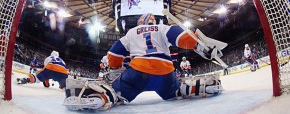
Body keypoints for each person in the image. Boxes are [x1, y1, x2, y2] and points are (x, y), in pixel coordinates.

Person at [64, 13, 223, 110]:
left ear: (140, 22)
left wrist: (116, 67)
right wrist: (197, 44)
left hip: (138, 73)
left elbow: (113, 54)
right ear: (153, 21)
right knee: (176, 90)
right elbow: (179, 36)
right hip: (165, 73)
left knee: (116, 92)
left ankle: (100, 96)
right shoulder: (162, 27)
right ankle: (201, 86)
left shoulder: (131, 32)